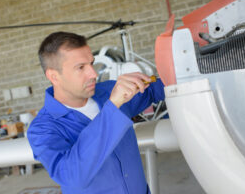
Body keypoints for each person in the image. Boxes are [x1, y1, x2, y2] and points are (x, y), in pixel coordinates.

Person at [27, 31, 165, 194]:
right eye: (81, 67)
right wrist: (113, 106)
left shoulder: (109, 91)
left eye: (91, 63)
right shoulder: (42, 129)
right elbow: (73, 176)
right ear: (54, 76)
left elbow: (156, 89)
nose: (93, 74)